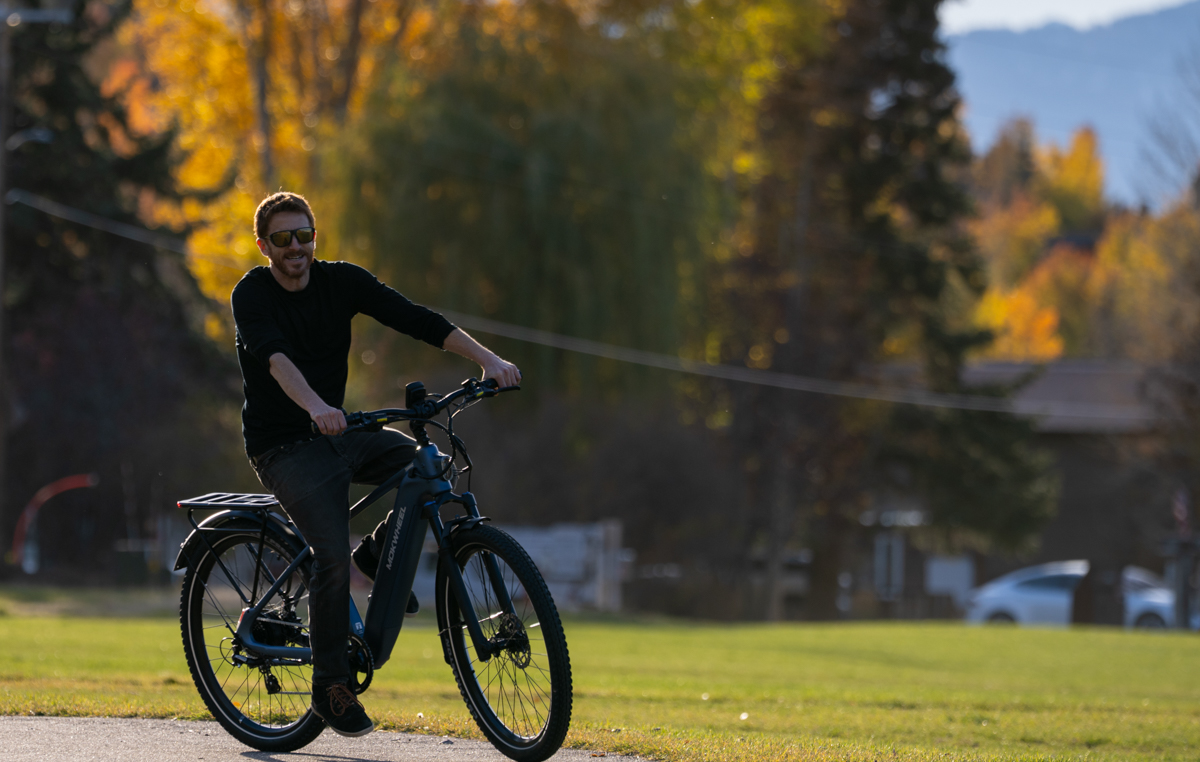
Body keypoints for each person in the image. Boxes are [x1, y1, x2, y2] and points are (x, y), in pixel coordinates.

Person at [231, 191, 520, 737]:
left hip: (341, 429)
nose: (295, 247)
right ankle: (330, 687)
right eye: (282, 238)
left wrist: (489, 360)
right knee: (329, 558)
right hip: (285, 446)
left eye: (304, 235)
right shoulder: (251, 293)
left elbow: (413, 318)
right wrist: (316, 407)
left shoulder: (342, 281)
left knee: (426, 467)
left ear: (316, 235)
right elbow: (274, 358)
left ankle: (373, 558)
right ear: (263, 244)